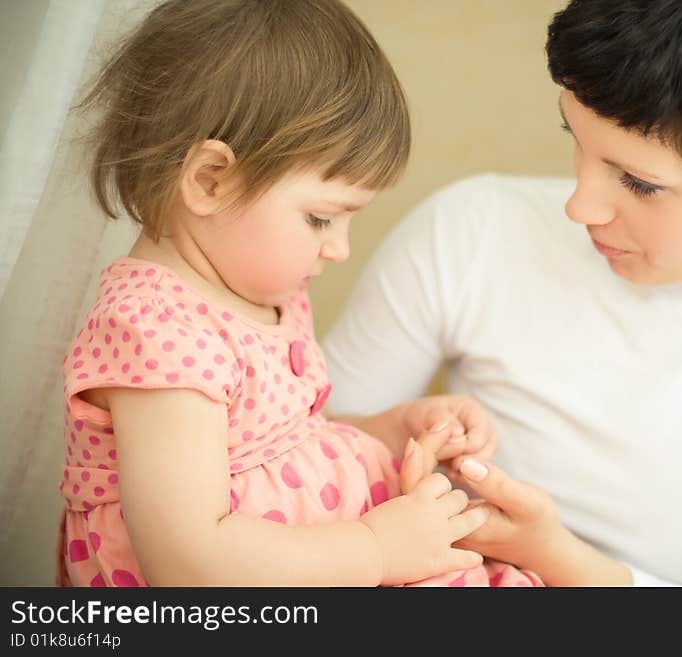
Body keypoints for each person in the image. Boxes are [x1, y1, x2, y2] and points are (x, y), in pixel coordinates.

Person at [322, 0, 682, 586]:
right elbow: (298, 450)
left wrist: (555, 557)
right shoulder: (473, 227)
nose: (578, 206)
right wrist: (393, 438)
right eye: (577, 138)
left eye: (640, 182)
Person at [55, 0, 542, 588]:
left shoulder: (260, 292)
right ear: (210, 180)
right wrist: (377, 549)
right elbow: (189, 562)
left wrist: (393, 429)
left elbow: (289, 446)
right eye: (320, 218)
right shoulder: (156, 336)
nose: (338, 248)